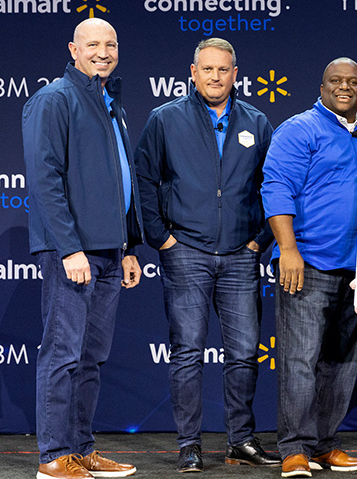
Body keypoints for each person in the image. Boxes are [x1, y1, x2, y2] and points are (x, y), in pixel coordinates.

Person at [134, 38, 278, 472]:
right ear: (193, 73)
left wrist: (259, 240)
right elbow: (144, 180)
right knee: (187, 353)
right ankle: (189, 445)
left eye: (223, 69)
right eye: (208, 69)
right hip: (185, 252)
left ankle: (241, 441)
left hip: (241, 255)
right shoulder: (165, 119)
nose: (215, 77)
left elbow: (272, 184)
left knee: (243, 353)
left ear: (235, 74)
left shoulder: (257, 121)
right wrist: (162, 239)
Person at [22, 18, 139, 479]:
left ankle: (81, 448)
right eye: (93, 44)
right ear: (73, 50)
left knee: (91, 358)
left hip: (110, 251)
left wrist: (128, 247)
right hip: (73, 253)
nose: (103, 52)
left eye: (111, 44)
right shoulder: (54, 99)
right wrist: (70, 249)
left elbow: (120, 182)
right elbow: (45, 180)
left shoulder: (110, 102)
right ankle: (54, 456)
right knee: (63, 354)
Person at [262, 57, 357, 478]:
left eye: (353, 82)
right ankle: (295, 448)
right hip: (307, 263)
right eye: (336, 80)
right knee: (300, 360)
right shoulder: (299, 129)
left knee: (341, 362)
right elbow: (277, 186)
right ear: (322, 87)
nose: (344, 87)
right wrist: (287, 249)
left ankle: (326, 444)